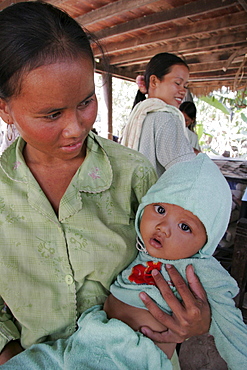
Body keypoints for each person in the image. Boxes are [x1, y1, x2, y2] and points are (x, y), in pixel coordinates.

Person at [0, 1, 211, 366]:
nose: (75, 127)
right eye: (51, 114)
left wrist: (197, 317)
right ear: (5, 108)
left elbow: (187, 257)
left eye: (86, 102)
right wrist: (9, 354)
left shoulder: (132, 173)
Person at [105, 153, 247, 369]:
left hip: (139, 359)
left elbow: (231, 328)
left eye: (184, 227)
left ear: (205, 243)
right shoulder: (138, 246)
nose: (163, 227)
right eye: (160, 209)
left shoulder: (200, 269)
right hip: (96, 335)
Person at [121, 52, 195, 177]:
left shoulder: (140, 116)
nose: (183, 91)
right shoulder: (167, 118)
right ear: (154, 81)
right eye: (177, 83)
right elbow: (186, 172)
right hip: (158, 196)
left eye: (185, 85)